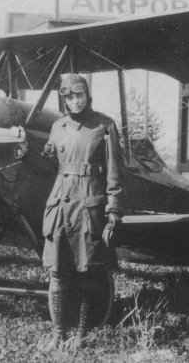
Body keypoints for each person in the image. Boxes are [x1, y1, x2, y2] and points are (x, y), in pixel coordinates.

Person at [41, 73, 124, 344]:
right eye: (68, 97)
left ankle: (80, 335)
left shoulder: (105, 125)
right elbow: (49, 165)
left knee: (87, 272)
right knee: (58, 272)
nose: (74, 101)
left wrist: (114, 211)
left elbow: (114, 173)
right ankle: (58, 333)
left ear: (88, 94)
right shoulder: (57, 127)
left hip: (88, 207)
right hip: (60, 206)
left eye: (79, 95)